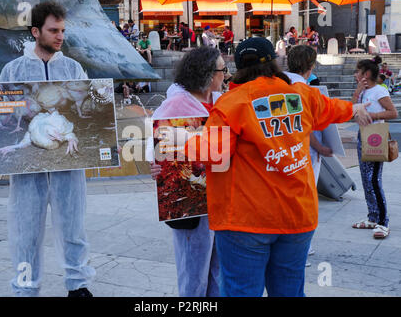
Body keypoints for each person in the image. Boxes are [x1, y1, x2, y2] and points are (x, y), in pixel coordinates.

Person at [181, 37, 372, 297]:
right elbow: (332, 108)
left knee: (241, 291)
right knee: (290, 291)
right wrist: (355, 108)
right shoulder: (302, 93)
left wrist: (187, 141)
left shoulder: (232, 103)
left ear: (238, 66)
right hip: (297, 216)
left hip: (245, 220)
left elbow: (213, 154)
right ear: (274, 61)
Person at [0, 1, 95, 297]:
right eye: (54, 30)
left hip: (67, 159)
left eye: (62, 30)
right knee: (26, 231)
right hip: (28, 165)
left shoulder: (73, 68)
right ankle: (25, 288)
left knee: (74, 226)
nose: (60, 36)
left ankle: (78, 285)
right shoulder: (13, 71)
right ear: (36, 31)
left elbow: (87, 110)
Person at [149, 47, 226, 297]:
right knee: (194, 271)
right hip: (191, 204)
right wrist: (157, 164)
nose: (225, 75)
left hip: (221, 199)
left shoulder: (218, 100)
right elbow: (158, 144)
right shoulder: (176, 105)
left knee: (217, 269)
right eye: (222, 70)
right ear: (207, 74)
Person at [285, 45, 333, 267]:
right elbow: (306, 126)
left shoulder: (281, 84)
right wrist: (321, 148)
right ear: (311, 65)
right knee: (304, 200)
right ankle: (300, 248)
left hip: (285, 151)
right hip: (305, 152)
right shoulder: (303, 90)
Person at [351, 56, 398, 239]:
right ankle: (372, 217)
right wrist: (357, 91)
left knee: (374, 181)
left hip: (376, 137)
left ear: (367, 74)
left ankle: (383, 222)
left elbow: (393, 112)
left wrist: (373, 115)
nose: (355, 74)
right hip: (363, 136)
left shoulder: (379, 91)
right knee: (365, 180)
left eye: (358, 71)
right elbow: (352, 108)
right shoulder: (364, 91)